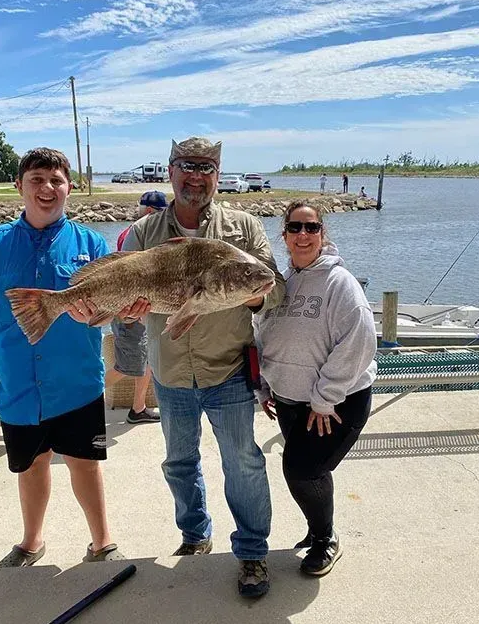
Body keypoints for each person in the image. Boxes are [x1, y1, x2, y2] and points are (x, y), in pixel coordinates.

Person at [122, 136, 285, 597]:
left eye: (206, 168)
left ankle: (252, 553)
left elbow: (273, 290)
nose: (196, 177)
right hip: (170, 371)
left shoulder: (244, 227)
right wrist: (130, 308)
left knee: (244, 463)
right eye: (187, 166)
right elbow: (129, 290)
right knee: (178, 462)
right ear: (170, 170)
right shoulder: (143, 233)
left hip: (228, 368)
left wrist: (243, 290)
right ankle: (195, 535)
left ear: (217, 174)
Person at [0, 147, 129, 568]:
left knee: (85, 465)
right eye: (36, 180)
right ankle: (31, 541)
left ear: (70, 187)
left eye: (56, 180)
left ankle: (102, 541)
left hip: (78, 382)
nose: (47, 188)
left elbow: (109, 308)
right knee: (30, 467)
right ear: (20, 186)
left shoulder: (91, 243)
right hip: (16, 386)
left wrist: (111, 311)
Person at [254, 200, 377, 576]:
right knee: (311, 471)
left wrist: (324, 399)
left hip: (336, 403)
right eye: (295, 228)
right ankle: (316, 530)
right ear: (284, 234)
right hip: (288, 400)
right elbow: (262, 335)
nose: (303, 235)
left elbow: (359, 341)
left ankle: (326, 539)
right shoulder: (279, 282)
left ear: (323, 234)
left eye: (311, 228)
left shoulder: (341, 283)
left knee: (301, 469)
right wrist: (265, 386)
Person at [106, 190, 167, 425]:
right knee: (127, 365)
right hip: (130, 312)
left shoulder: (130, 233)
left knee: (145, 360)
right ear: (150, 212)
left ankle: (138, 408)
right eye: (162, 213)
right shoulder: (138, 235)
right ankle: (78, 396)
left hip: (143, 311)